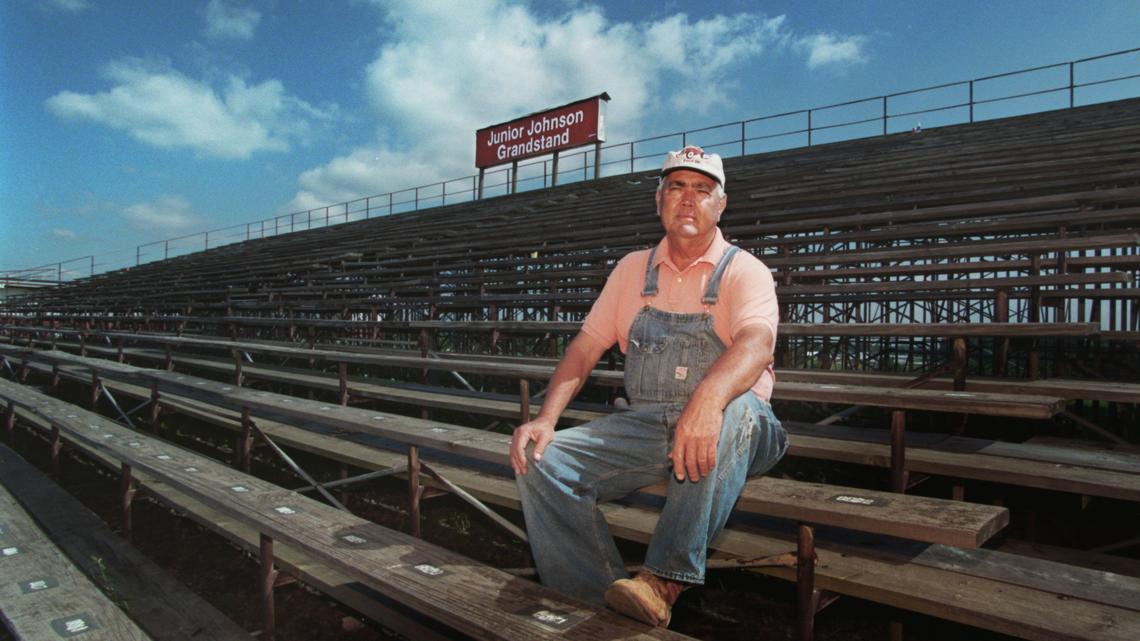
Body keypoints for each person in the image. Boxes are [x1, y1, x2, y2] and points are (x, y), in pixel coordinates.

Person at [510, 145, 787, 627]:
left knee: (733, 407)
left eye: (703, 190)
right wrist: (545, 420)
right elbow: (584, 347)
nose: (688, 198)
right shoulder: (631, 270)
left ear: (720, 205)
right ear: (658, 199)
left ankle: (662, 582)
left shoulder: (745, 270)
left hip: (744, 429)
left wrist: (706, 401)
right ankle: (599, 609)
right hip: (654, 425)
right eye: (677, 186)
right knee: (541, 460)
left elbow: (757, 343)